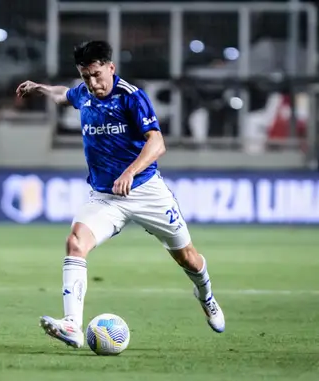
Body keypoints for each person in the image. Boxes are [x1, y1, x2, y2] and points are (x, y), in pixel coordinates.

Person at [16, 41, 225, 349]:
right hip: (104, 197)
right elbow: (64, 95)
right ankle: (72, 325)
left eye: (97, 74)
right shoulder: (84, 93)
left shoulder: (131, 97)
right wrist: (40, 88)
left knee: (189, 259)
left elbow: (157, 143)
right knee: (75, 243)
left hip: (146, 191)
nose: (92, 82)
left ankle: (206, 295)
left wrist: (129, 171)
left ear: (111, 68)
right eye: (86, 76)